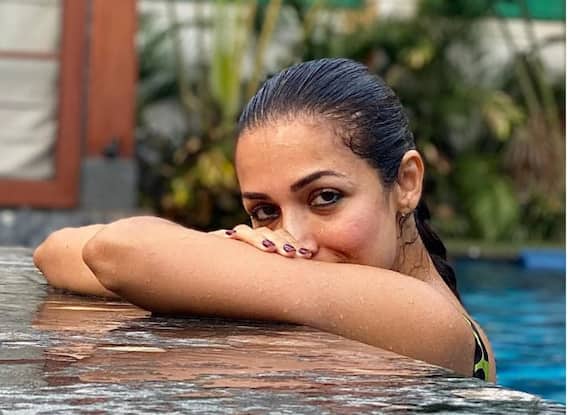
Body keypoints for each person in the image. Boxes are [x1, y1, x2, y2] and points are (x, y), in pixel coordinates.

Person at [33, 58, 495, 382]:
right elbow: (55, 251)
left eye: (325, 198)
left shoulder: (428, 320)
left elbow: (118, 252)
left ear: (407, 183)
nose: (294, 238)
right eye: (265, 211)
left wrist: (215, 253)